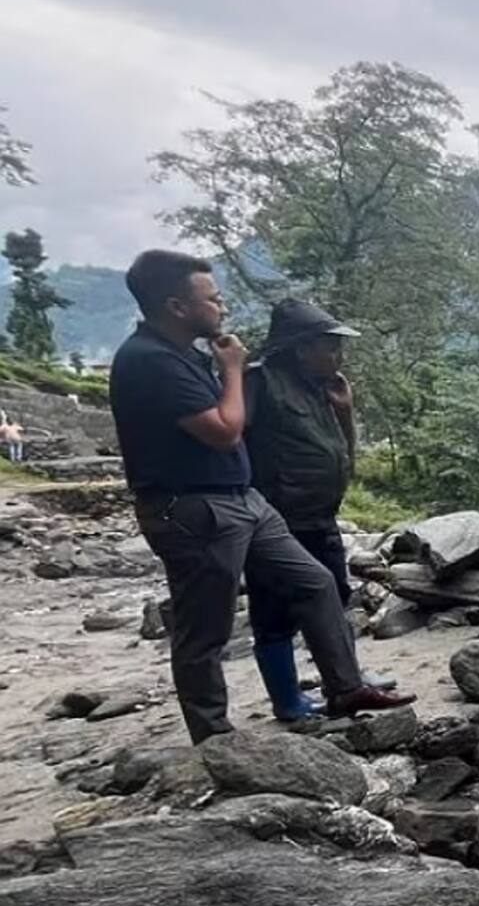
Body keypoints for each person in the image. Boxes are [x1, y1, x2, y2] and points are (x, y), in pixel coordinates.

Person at [108, 251, 413, 742]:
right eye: (213, 298)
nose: (222, 306)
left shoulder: (187, 354)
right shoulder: (150, 362)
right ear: (176, 306)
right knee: (205, 626)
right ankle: (215, 736)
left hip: (242, 498)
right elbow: (226, 431)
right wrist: (233, 367)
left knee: (316, 584)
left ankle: (346, 687)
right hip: (193, 507)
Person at [243, 297, 384, 721]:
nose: (339, 356)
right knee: (273, 609)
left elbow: (342, 450)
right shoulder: (258, 381)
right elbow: (233, 437)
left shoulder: (322, 385)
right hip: (276, 517)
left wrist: (345, 410)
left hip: (319, 513)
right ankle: (288, 700)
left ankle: (347, 682)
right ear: (302, 348)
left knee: (335, 595)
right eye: (331, 346)